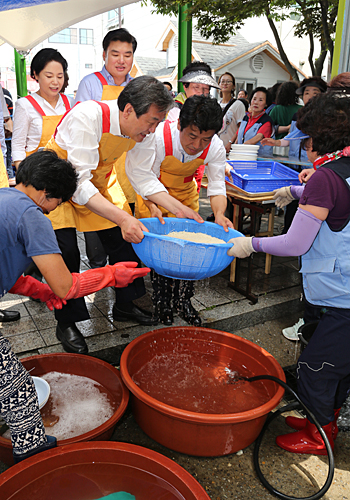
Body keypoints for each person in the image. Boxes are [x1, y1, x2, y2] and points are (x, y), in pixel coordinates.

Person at [0, 150, 149, 463]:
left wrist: (40, 291)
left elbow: (6, 265)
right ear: (46, 194)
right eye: (59, 202)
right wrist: (112, 275)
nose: (55, 209)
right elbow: (66, 286)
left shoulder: (5, 198)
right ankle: (35, 463)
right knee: (20, 394)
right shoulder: (32, 215)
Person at [227, 91, 350, 456]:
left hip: (341, 294)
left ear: (320, 141)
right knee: (339, 366)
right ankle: (320, 417)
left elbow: (295, 243)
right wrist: (296, 190)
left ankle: (319, 435)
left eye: (307, 139)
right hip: (341, 288)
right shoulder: (340, 170)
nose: (304, 146)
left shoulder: (326, 178)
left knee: (318, 367)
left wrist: (253, 244)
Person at [44, 76, 201, 355]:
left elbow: (142, 175)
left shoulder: (141, 132)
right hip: (57, 185)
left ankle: (126, 304)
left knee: (124, 243)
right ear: (128, 110)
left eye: (157, 123)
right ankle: (66, 322)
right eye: (151, 121)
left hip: (97, 184)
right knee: (65, 251)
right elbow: (78, 184)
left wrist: (179, 208)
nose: (153, 130)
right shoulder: (88, 116)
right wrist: (123, 217)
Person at [127, 95, 233, 326]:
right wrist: (153, 205)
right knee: (162, 252)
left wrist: (220, 214)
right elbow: (147, 178)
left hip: (186, 194)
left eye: (205, 139)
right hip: (154, 194)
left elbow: (216, 185)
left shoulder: (215, 147)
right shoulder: (158, 137)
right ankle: (162, 301)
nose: (196, 145)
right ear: (179, 125)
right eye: (192, 136)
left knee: (190, 253)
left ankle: (184, 301)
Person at [75, 28, 138, 269]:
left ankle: (123, 282)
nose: (122, 61)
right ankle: (99, 275)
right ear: (104, 55)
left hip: (129, 165)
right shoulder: (90, 84)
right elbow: (81, 125)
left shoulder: (138, 87)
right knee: (96, 234)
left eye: (127, 54)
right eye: (115, 54)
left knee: (125, 233)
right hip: (98, 167)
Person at [167, 61, 220, 193]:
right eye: (196, 87)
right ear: (185, 86)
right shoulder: (174, 109)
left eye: (206, 89)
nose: (201, 93)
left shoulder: (209, 110)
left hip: (194, 174)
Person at [236, 86, 274, 155]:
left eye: (260, 100)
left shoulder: (266, 121)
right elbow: (238, 136)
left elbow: (257, 138)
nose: (256, 102)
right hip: (242, 156)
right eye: (254, 99)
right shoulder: (246, 118)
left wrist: (238, 149)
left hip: (258, 161)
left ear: (266, 104)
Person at [217, 72, 245, 155]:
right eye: (222, 81)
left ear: (233, 86)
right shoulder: (216, 104)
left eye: (228, 81)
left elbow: (241, 128)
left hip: (230, 149)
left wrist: (231, 142)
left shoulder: (238, 105)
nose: (225, 83)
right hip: (216, 149)